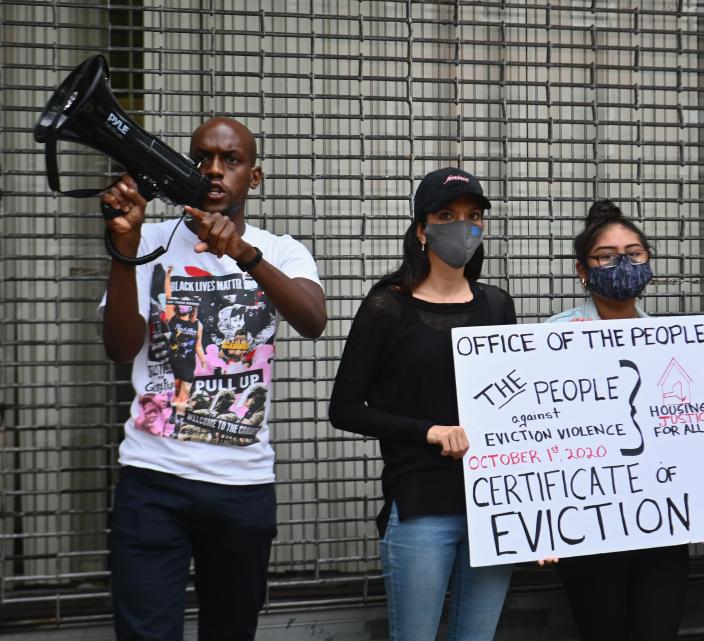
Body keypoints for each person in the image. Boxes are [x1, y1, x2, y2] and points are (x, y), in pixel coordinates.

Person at [100, 116, 327, 641]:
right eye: (202, 158)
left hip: (242, 486)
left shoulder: (284, 250)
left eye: (232, 160)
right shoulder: (149, 238)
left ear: (256, 176)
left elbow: (313, 320)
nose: (215, 171)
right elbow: (119, 348)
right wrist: (124, 245)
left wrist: (245, 255)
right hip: (152, 479)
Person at [328, 168, 516, 641]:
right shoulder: (386, 306)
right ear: (421, 229)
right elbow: (345, 407)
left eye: (474, 216)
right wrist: (427, 431)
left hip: (495, 507)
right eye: (446, 215)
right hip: (420, 507)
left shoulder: (497, 306)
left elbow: (519, 402)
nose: (463, 226)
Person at [543, 200, 689, 641]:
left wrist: (702, 428)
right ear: (582, 270)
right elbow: (535, 433)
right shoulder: (553, 338)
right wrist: (542, 521)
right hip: (587, 527)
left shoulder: (673, 345)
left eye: (635, 252)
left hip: (660, 529)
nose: (623, 263)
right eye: (606, 256)